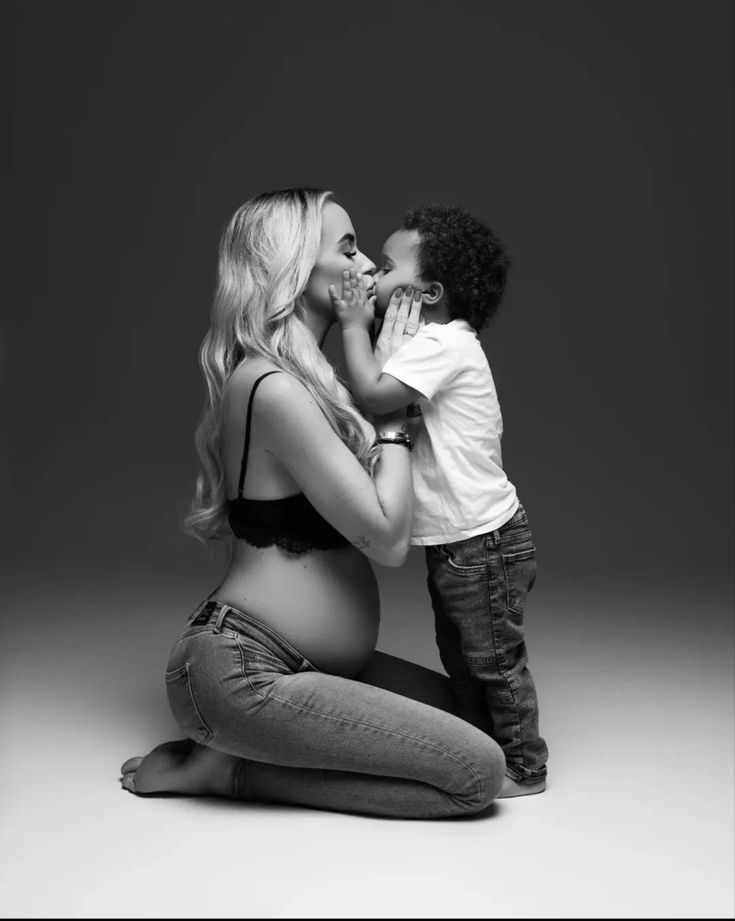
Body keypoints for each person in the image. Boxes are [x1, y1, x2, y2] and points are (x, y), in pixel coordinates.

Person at [119, 188, 506, 818]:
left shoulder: (315, 382)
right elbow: (386, 539)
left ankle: (253, 753)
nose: (369, 270)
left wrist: (390, 367)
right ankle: (233, 774)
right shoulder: (271, 387)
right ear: (294, 271)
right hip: (243, 672)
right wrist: (396, 419)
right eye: (349, 249)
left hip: (316, 669)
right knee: (478, 773)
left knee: (484, 722)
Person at [334, 204, 548, 797]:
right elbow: (379, 392)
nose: (371, 277)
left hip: (482, 540)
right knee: (460, 654)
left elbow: (377, 397)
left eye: (385, 266)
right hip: (462, 541)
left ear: (428, 292)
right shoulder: (422, 343)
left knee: (493, 659)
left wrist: (354, 324)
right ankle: (483, 747)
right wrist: (375, 338)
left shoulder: (445, 346)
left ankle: (525, 767)